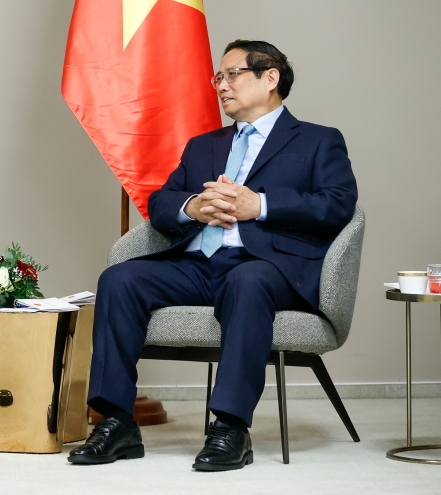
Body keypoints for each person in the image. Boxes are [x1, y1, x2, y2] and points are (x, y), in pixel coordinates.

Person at [68, 40, 358, 471]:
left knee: (247, 280)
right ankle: (116, 422)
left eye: (232, 75)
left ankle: (230, 428)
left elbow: (338, 204)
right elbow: (162, 202)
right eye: (218, 78)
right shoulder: (203, 145)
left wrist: (259, 205)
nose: (222, 85)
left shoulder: (318, 140)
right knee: (120, 278)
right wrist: (193, 207)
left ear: (270, 77)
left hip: (268, 268)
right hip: (197, 264)